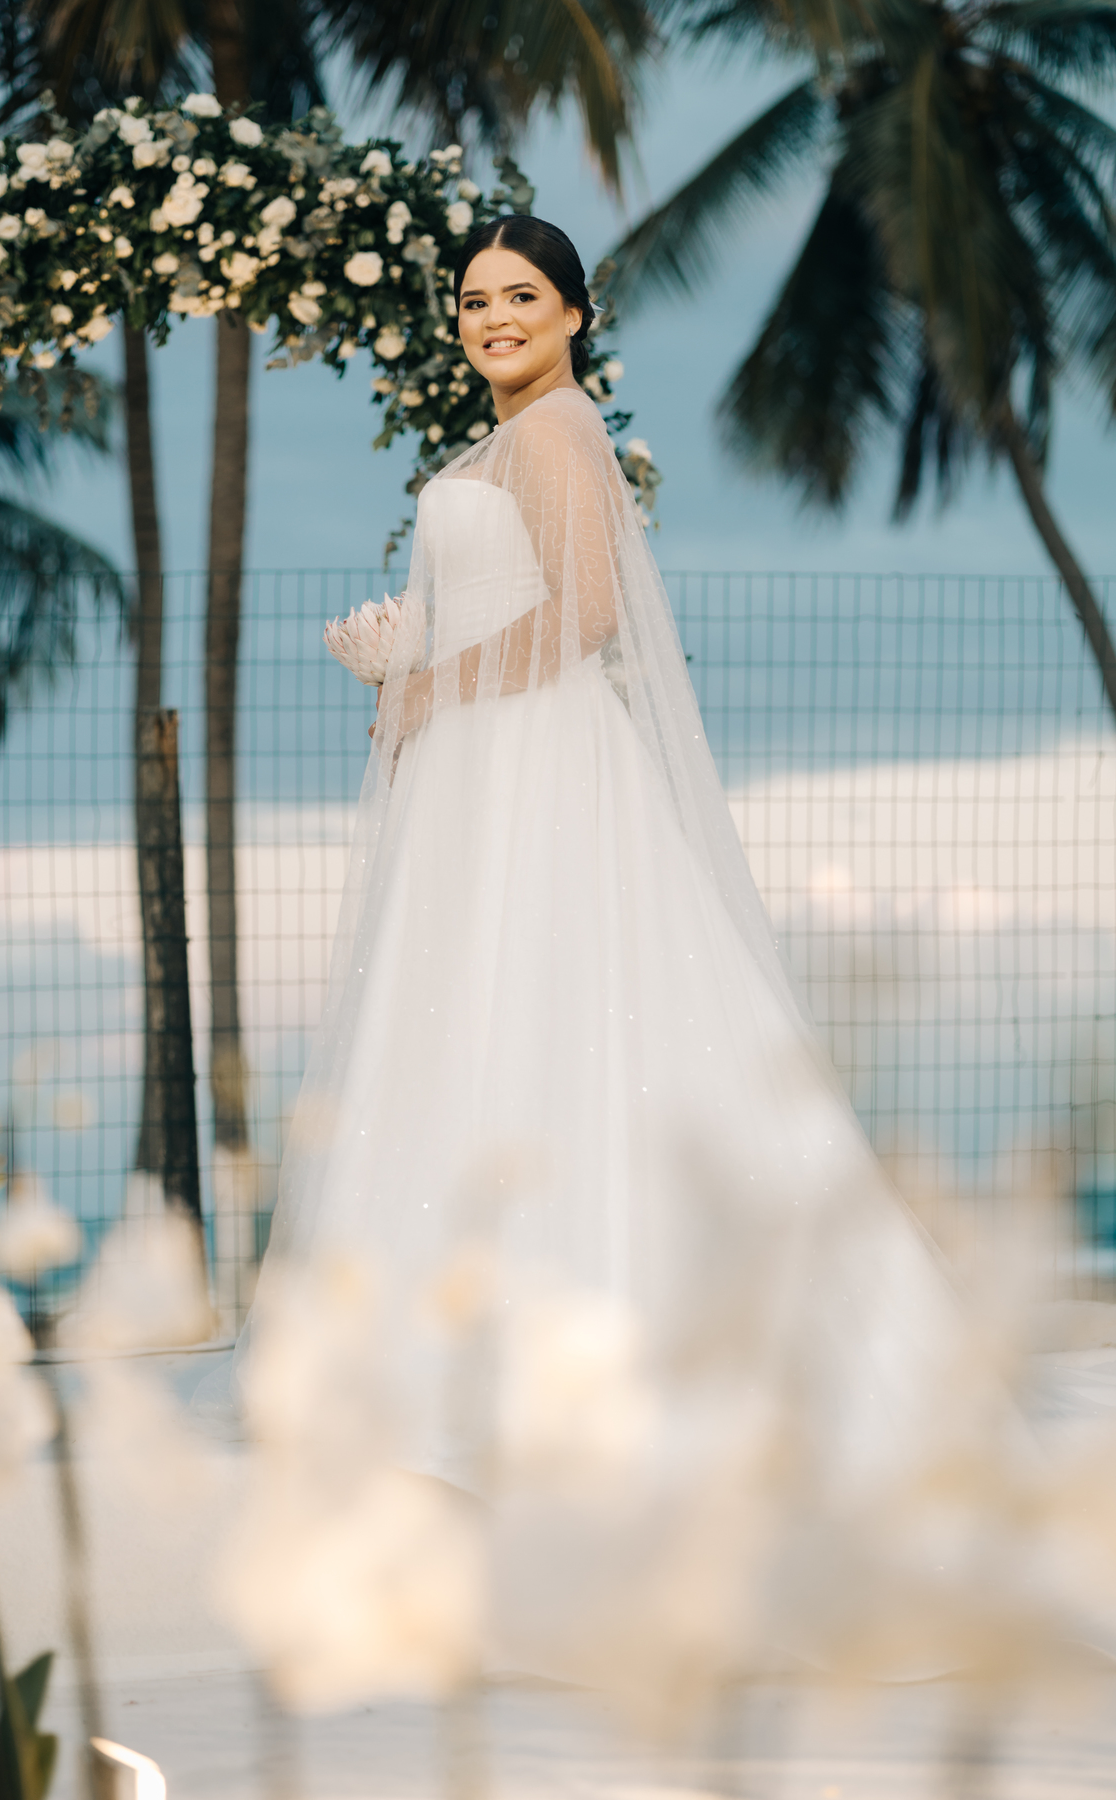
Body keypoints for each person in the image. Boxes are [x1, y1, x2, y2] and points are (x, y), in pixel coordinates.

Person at [253, 216, 997, 1501]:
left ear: (573, 313)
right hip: (488, 763)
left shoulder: (559, 429)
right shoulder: (509, 438)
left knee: (548, 1015)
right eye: (475, 300)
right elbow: (517, 595)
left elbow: (586, 613)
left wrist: (434, 685)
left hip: (534, 759)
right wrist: (405, 654)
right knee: (487, 1025)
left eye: (522, 297)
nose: (494, 319)